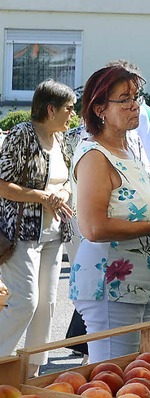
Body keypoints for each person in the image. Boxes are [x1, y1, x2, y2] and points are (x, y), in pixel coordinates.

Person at [70, 64, 150, 363]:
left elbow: (138, 212)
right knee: (112, 378)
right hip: (110, 287)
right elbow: (93, 228)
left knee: (137, 375)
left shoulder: (130, 152)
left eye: (136, 96)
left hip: (139, 285)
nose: (134, 105)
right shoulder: (95, 156)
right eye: (124, 98)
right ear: (99, 109)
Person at [0, 79, 76, 376]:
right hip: (21, 234)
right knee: (25, 303)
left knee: (47, 305)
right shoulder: (21, 135)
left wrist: (63, 195)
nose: (73, 114)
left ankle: (32, 373)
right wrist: (43, 197)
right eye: (69, 108)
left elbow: (68, 181)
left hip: (54, 234)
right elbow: (3, 185)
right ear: (50, 109)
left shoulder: (62, 138)